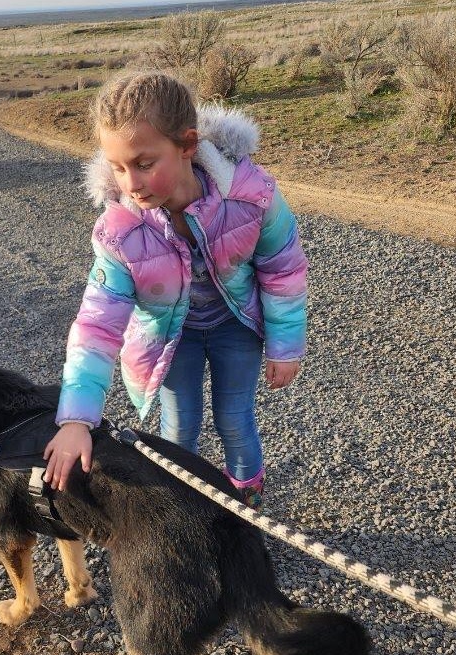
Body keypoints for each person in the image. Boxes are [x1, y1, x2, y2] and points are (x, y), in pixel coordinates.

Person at [43, 71, 307, 509]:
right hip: (169, 338)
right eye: (118, 167)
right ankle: (184, 508)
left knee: (235, 419)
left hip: (233, 325)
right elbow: (97, 324)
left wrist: (285, 346)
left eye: (144, 164)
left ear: (187, 145)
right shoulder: (120, 232)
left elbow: (283, 268)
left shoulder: (250, 195)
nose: (131, 183)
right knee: (179, 428)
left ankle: (247, 507)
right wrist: (76, 418)